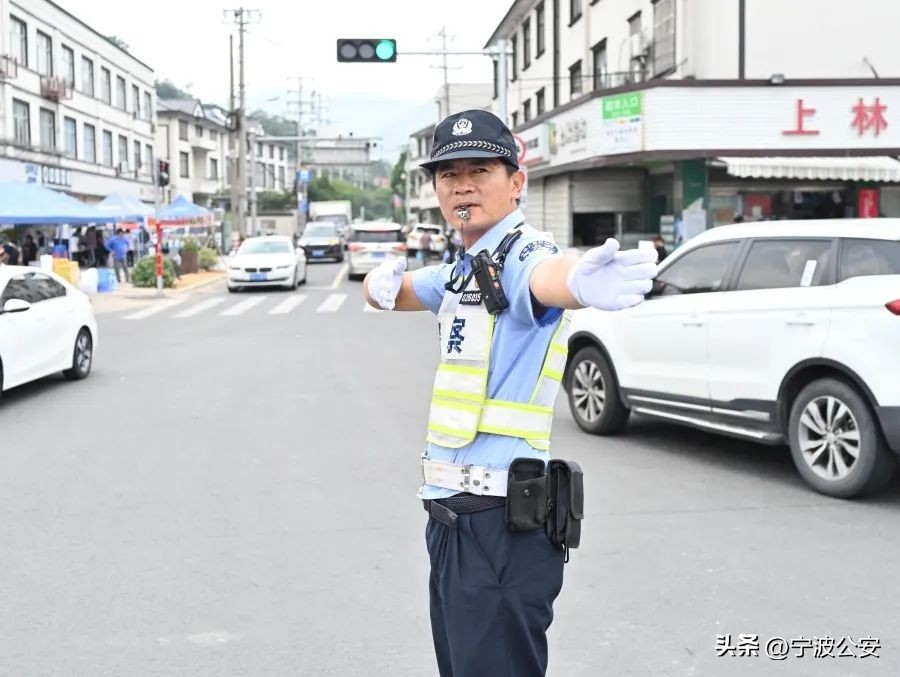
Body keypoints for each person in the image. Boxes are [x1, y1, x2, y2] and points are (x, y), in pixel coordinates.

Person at [362, 110, 657, 677]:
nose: (462, 185)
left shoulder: (523, 255)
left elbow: (547, 278)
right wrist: (378, 287)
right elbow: (403, 292)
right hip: (452, 519)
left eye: (480, 170)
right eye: (448, 175)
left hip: (499, 524)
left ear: (516, 182)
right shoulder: (466, 268)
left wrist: (576, 282)